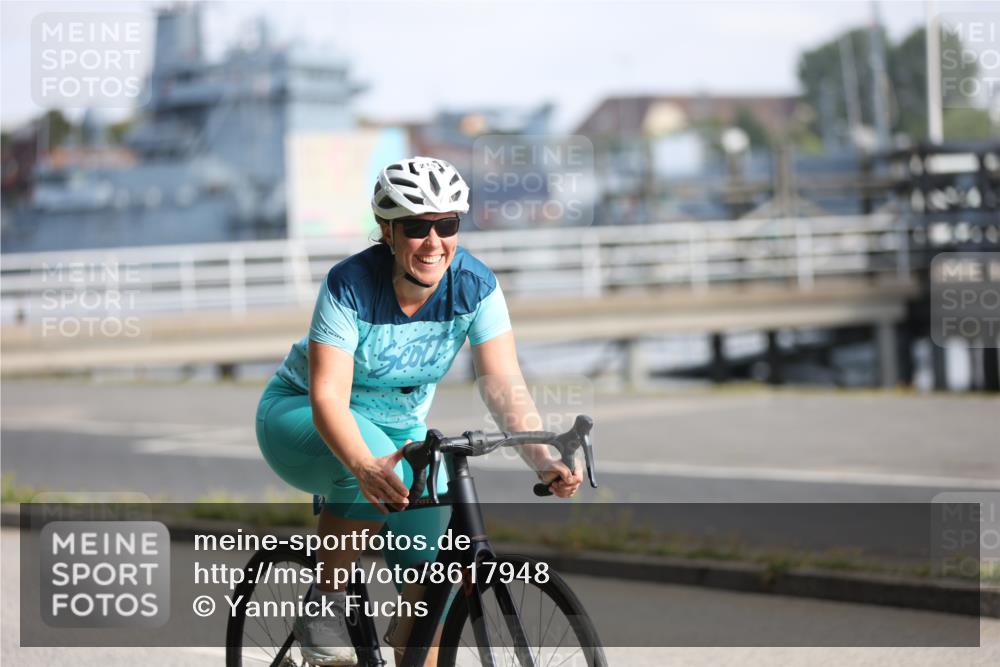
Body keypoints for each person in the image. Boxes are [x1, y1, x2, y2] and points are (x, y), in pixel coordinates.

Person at [255, 156, 582, 666]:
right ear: (387, 231)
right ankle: (325, 604)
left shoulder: (475, 286)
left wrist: (543, 459)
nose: (433, 243)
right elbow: (327, 398)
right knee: (376, 456)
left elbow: (503, 386)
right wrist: (362, 465)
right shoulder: (350, 285)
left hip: (401, 436)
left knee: (434, 586)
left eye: (446, 225)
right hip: (299, 417)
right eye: (416, 227)